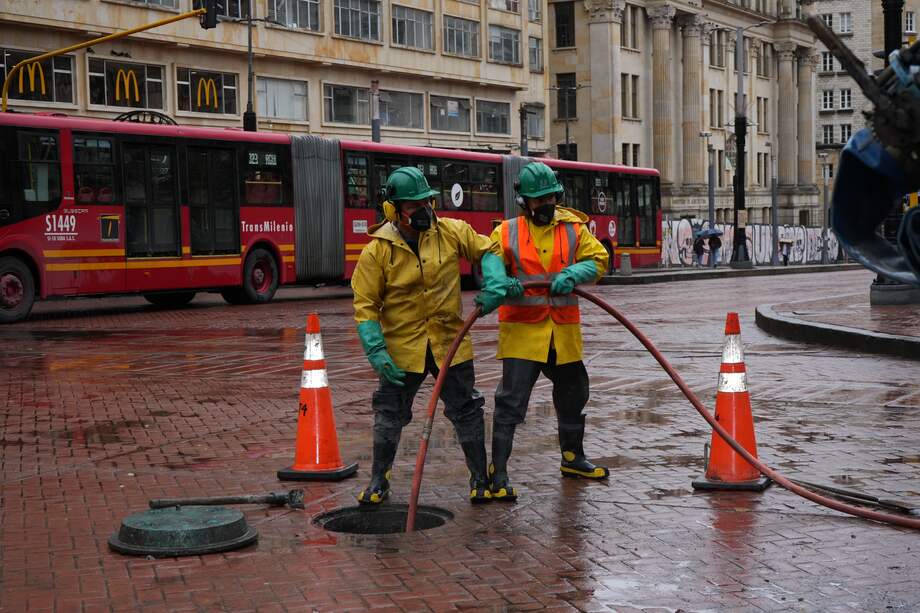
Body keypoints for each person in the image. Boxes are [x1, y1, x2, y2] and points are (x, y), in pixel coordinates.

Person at [352, 167, 493, 505]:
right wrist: (376, 350)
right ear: (394, 210)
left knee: (467, 409)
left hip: (450, 343)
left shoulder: (451, 232)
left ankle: (480, 479)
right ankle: (379, 481)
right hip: (403, 348)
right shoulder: (377, 251)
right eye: (414, 206)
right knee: (389, 413)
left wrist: (494, 281)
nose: (425, 211)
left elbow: (488, 250)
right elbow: (366, 304)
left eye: (427, 202)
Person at [474, 162, 610, 501]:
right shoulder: (506, 232)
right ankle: (499, 473)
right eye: (537, 200)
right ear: (524, 202)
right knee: (510, 403)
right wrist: (499, 282)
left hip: (562, 335)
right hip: (523, 335)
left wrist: (575, 272)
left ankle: (572, 458)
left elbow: (599, 258)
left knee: (574, 394)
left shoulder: (573, 228)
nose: (544, 205)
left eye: (549, 198)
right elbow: (490, 260)